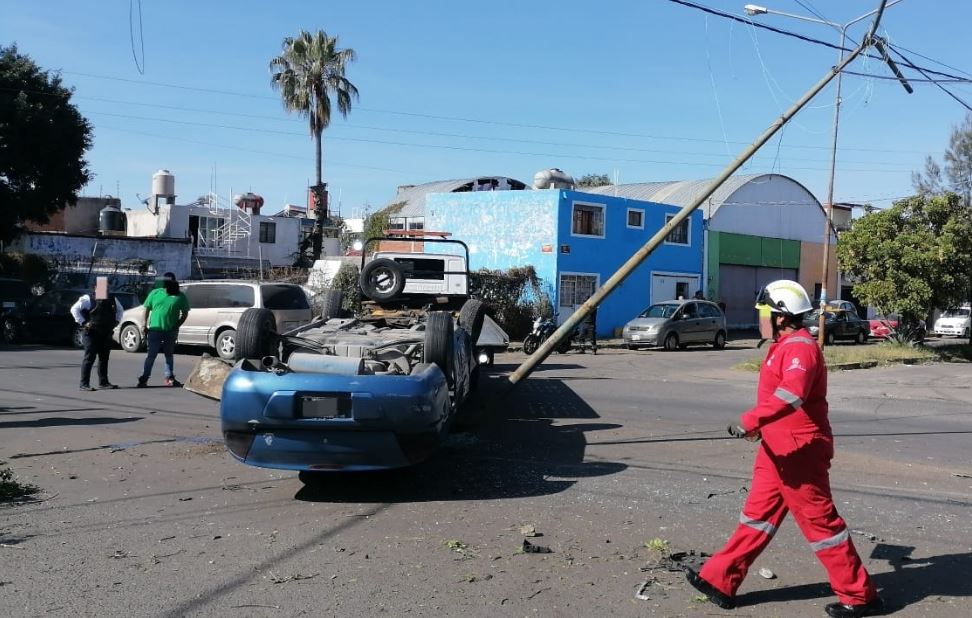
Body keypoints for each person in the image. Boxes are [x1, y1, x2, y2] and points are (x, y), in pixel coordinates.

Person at [684, 279, 883, 618]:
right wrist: (760, 427)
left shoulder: (800, 348)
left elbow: (792, 395)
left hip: (800, 451)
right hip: (777, 449)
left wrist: (751, 420)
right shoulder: (783, 344)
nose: (759, 316)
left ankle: (859, 595)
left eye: (763, 310)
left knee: (821, 524)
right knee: (757, 516)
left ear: (780, 315)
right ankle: (720, 578)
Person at [70, 277, 124, 391]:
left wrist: (116, 321)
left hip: (106, 332)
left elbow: (120, 310)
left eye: (106, 287)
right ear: (95, 287)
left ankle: (103, 382)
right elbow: (74, 309)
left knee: (104, 358)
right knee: (89, 358)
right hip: (91, 333)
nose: (105, 289)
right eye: (102, 287)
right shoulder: (88, 298)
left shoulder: (112, 298)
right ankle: (84, 384)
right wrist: (84, 322)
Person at [137, 275, 190, 387]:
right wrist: (144, 324)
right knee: (151, 355)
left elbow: (185, 313)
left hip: (170, 331)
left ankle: (169, 377)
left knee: (169, 355)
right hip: (154, 330)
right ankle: (144, 378)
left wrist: (177, 325)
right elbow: (146, 309)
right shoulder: (155, 293)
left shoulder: (180, 296)